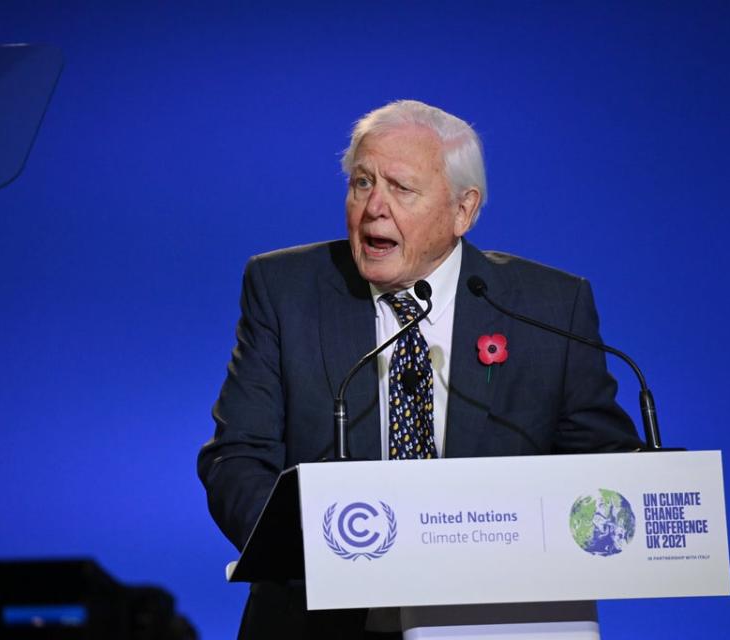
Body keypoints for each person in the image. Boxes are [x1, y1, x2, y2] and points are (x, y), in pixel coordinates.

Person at [197, 99, 643, 639]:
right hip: (318, 616)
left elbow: (604, 465)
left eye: (400, 188)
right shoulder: (286, 290)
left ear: (463, 210)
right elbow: (237, 455)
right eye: (362, 183)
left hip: (493, 619)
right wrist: (310, 549)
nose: (373, 208)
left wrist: (660, 490)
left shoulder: (548, 307)